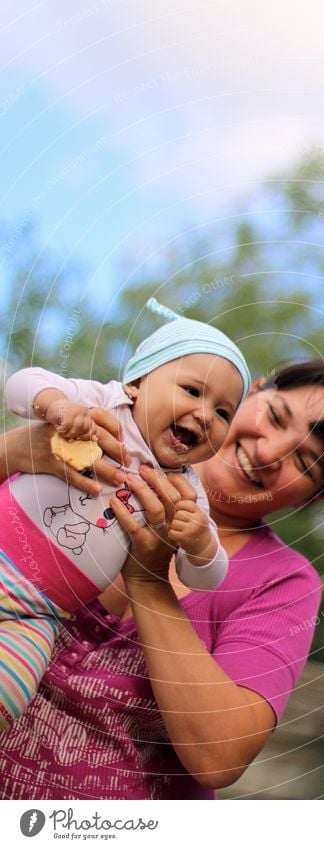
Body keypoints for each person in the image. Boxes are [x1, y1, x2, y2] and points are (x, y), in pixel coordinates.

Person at [0, 359, 324, 799]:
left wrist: (149, 583)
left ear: (317, 496)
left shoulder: (283, 581)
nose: (267, 452)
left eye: (304, 461)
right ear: (252, 390)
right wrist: (11, 453)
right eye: (275, 416)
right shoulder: (96, 438)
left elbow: (220, 756)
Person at [0, 298, 251, 730]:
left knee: (9, 697)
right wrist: (57, 406)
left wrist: (199, 543)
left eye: (224, 412)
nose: (206, 415)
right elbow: (21, 384)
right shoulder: (102, 403)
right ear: (137, 382)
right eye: (192, 391)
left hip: (39, 615)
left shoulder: (186, 489)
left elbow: (204, 576)